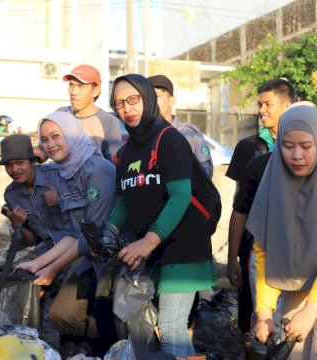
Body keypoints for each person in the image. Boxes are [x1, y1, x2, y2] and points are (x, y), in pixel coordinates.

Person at [107, 74, 215, 358]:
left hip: (184, 245)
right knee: (159, 329)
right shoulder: (127, 151)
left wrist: (148, 242)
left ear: (148, 99)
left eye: (133, 99)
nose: (127, 108)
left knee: (171, 329)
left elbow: (180, 197)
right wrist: (109, 231)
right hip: (154, 248)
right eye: (119, 103)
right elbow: (123, 201)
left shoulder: (169, 139)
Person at [16, 111, 117, 357]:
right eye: (45, 139)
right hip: (87, 259)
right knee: (61, 316)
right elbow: (73, 232)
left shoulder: (97, 170)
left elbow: (92, 234)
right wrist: (38, 263)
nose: (50, 145)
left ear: (73, 135)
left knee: (106, 324)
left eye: (56, 136)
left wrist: (51, 269)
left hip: (114, 264)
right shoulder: (64, 173)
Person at [226, 78, 296, 354]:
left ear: (289, 106)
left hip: (304, 259)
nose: (261, 111)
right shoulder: (253, 155)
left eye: (269, 104)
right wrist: (233, 257)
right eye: (260, 104)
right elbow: (239, 209)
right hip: (264, 254)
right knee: (264, 329)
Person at [248, 105, 317, 359]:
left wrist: (311, 309)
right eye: (288, 146)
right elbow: (264, 248)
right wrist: (264, 311)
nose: (297, 155)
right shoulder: (275, 183)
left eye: (306, 146)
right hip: (293, 291)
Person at [0, 134, 74, 260]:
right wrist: (17, 224)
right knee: (17, 274)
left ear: (33, 162)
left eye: (20, 163)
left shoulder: (58, 175)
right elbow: (30, 240)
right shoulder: (11, 194)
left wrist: (61, 198)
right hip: (46, 248)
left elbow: (90, 204)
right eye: (8, 165)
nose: (14, 169)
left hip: (75, 244)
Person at [148, 74, 213, 177]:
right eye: (147, 98)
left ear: (171, 101)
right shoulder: (142, 137)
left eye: (155, 97)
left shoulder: (189, 134)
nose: (150, 103)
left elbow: (205, 175)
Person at [58, 64, 123, 161]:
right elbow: (43, 151)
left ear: (96, 91)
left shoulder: (109, 122)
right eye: (71, 85)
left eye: (81, 86)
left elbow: (113, 164)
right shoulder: (60, 114)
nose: (74, 92)